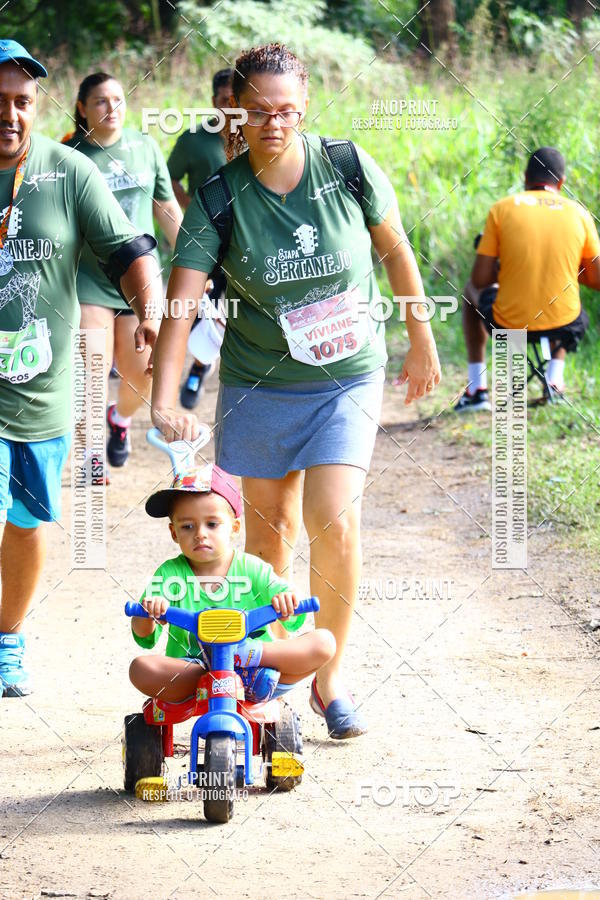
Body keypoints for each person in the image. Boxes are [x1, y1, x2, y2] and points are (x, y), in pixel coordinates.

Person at [150, 43, 441, 739]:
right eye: (257, 111)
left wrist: (422, 334)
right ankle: (266, 675)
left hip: (346, 376)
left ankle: (330, 676)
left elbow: (396, 249)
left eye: (285, 111)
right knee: (272, 536)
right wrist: (165, 397)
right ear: (236, 112)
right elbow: (181, 304)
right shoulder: (220, 199)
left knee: (333, 517)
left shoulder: (345, 167)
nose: (272, 123)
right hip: (259, 383)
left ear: (305, 105)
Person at [0, 41, 162, 697]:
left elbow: (130, 247)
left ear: (37, 105)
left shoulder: (68, 172)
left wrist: (149, 308)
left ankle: (8, 638)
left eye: (21, 101)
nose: (9, 114)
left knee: (26, 522)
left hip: (40, 391)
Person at [129, 464, 336, 708]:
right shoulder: (169, 574)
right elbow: (143, 634)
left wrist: (288, 599)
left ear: (234, 527)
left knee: (324, 642)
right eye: (187, 526)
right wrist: (150, 612)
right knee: (140, 668)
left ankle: (244, 653)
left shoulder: (253, 569)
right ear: (174, 533)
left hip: (254, 667)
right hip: (194, 671)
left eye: (212, 524)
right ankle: (213, 677)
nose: (200, 534)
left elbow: (292, 615)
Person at [63, 73, 182, 467]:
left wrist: (198, 260)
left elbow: (165, 208)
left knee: (142, 377)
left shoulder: (144, 146)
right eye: (100, 101)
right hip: (87, 278)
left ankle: (120, 418)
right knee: (90, 370)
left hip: (140, 281)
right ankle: (91, 455)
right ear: (82, 108)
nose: (112, 107)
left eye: (118, 98)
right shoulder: (68, 155)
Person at [456, 146, 600, 412]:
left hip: (508, 323)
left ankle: (477, 389)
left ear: (525, 178)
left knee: (468, 291)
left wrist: (505, 269)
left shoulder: (503, 209)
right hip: (565, 324)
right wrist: (564, 267)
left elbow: (479, 279)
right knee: (566, 290)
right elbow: (596, 279)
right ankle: (554, 380)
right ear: (561, 182)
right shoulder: (578, 213)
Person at [167, 69, 232, 409]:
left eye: (237, 100)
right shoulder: (194, 140)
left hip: (242, 243)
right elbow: (168, 179)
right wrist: (192, 208)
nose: (231, 107)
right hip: (202, 242)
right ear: (213, 102)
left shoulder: (256, 138)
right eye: (225, 101)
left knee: (228, 306)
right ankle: (172, 368)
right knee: (191, 305)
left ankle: (200, 366)